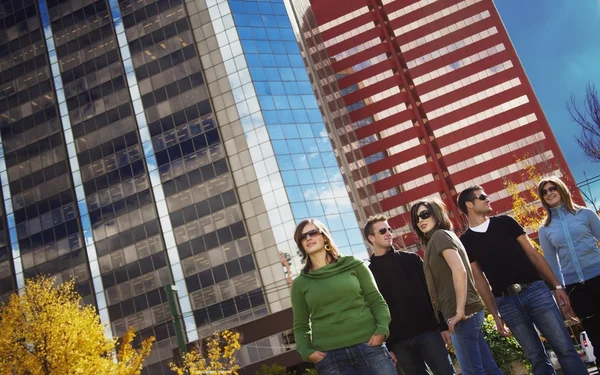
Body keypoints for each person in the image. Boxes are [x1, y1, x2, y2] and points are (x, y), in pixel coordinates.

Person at [458, 185, 588, 375]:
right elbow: (480, 281)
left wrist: (557, 286)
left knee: (565, 348)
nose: (488, 199)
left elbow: (533, 254)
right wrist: (495, 314)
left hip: (536, 291)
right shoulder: (466, 241)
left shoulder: (506, 222)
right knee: (535, 356)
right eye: (482, 196)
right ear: (470, 204)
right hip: (507, 303)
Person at [290, 218, 396, 375]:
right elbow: (301, 325)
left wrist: (381, 331)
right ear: (300, 245)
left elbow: (377, 301)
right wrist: (307, 352)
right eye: (302, 236)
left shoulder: (354, 264)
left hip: (369, 346)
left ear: (324, 236)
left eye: (312, 232)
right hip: (330, 358)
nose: (308, 238)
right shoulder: (300, 283)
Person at [409, 199, 502, 375]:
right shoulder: (442, 237)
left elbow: (459, 271)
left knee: (472, 371)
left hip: (462, 314)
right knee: (488, 367)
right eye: (416, 218)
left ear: (436, 214)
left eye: (425, 214)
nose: (420, 220)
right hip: (465, 311)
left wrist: (459, 312)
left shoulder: (439, 236)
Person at [364, 214, 456, 375]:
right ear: (371, 238)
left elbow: (432, 294)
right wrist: (389, 347)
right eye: (383, 231)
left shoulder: (411, 260)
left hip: (429, 333)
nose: (389, 233)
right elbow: (373, 312)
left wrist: (442, 326)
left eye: (390, 229)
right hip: (399, 343)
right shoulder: (368, 274)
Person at [537, 176, 600, 363]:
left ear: (561, 189)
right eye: (545, 191)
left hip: (598, 276)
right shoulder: (545, 228)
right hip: (575, 288)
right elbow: (551, 263)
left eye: (552, 188)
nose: (549, 193)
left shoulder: (585, 214)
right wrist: (559, 290)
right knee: (595, 333)